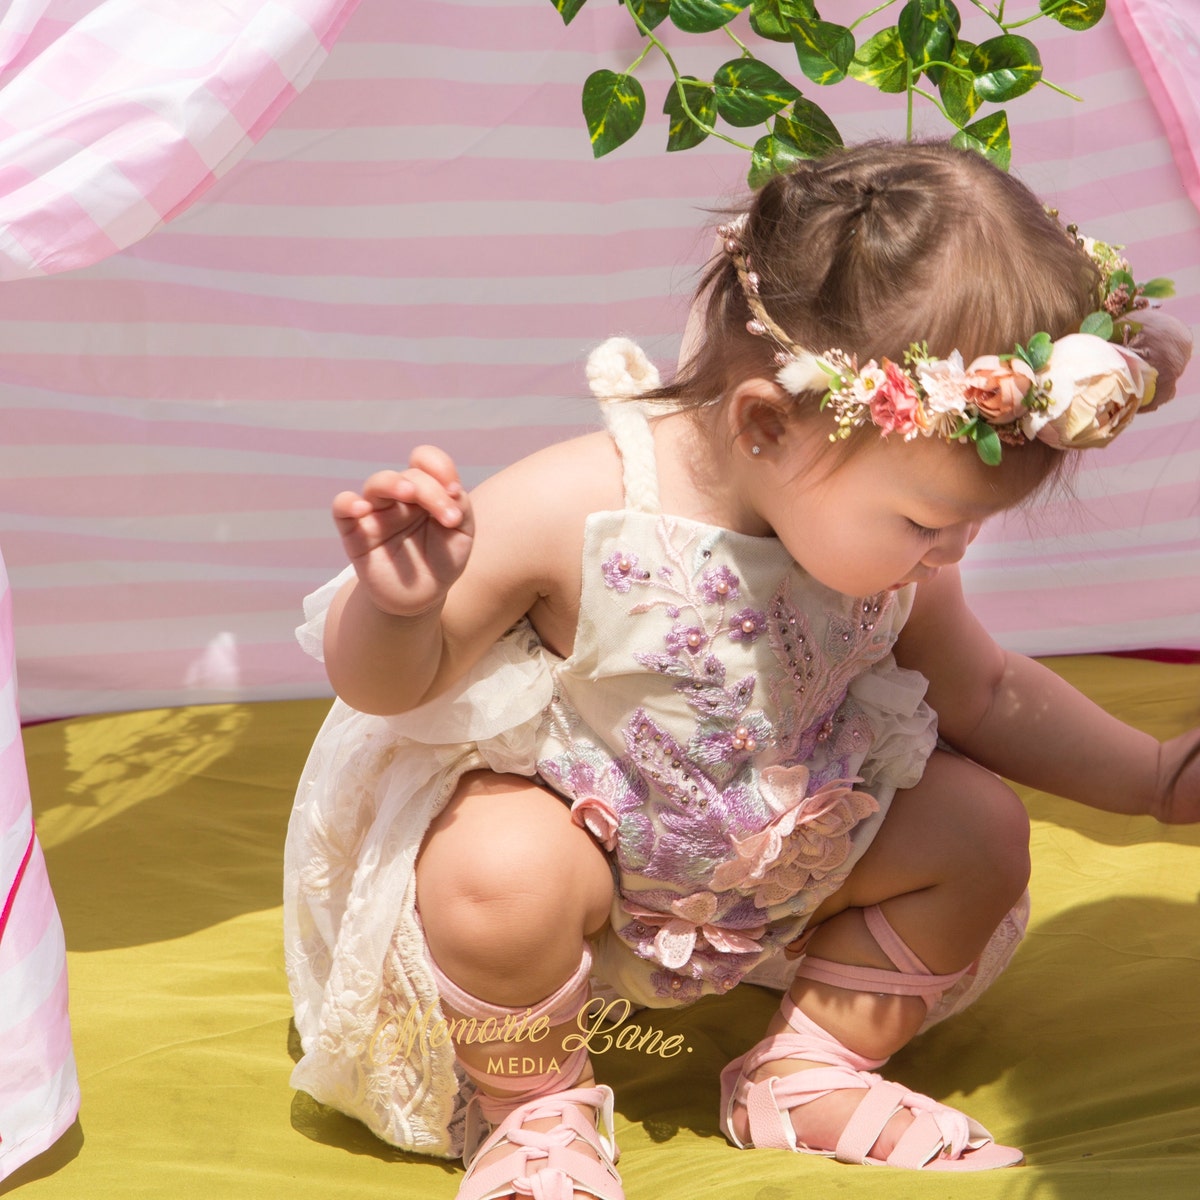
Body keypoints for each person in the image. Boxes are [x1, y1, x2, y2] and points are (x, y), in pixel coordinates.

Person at [283, 141, 1198, 1198]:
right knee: (492, 870)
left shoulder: (883, 545)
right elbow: (391, 688)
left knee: (979, 828)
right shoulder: (581, 506)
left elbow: (984, 692)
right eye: (925, 523)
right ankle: (529, 1107)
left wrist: (1154, 779)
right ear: (766, 423)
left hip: (790, 846)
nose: (946, 557)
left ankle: (812, 1064)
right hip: (588, 835)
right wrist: (402, 607)